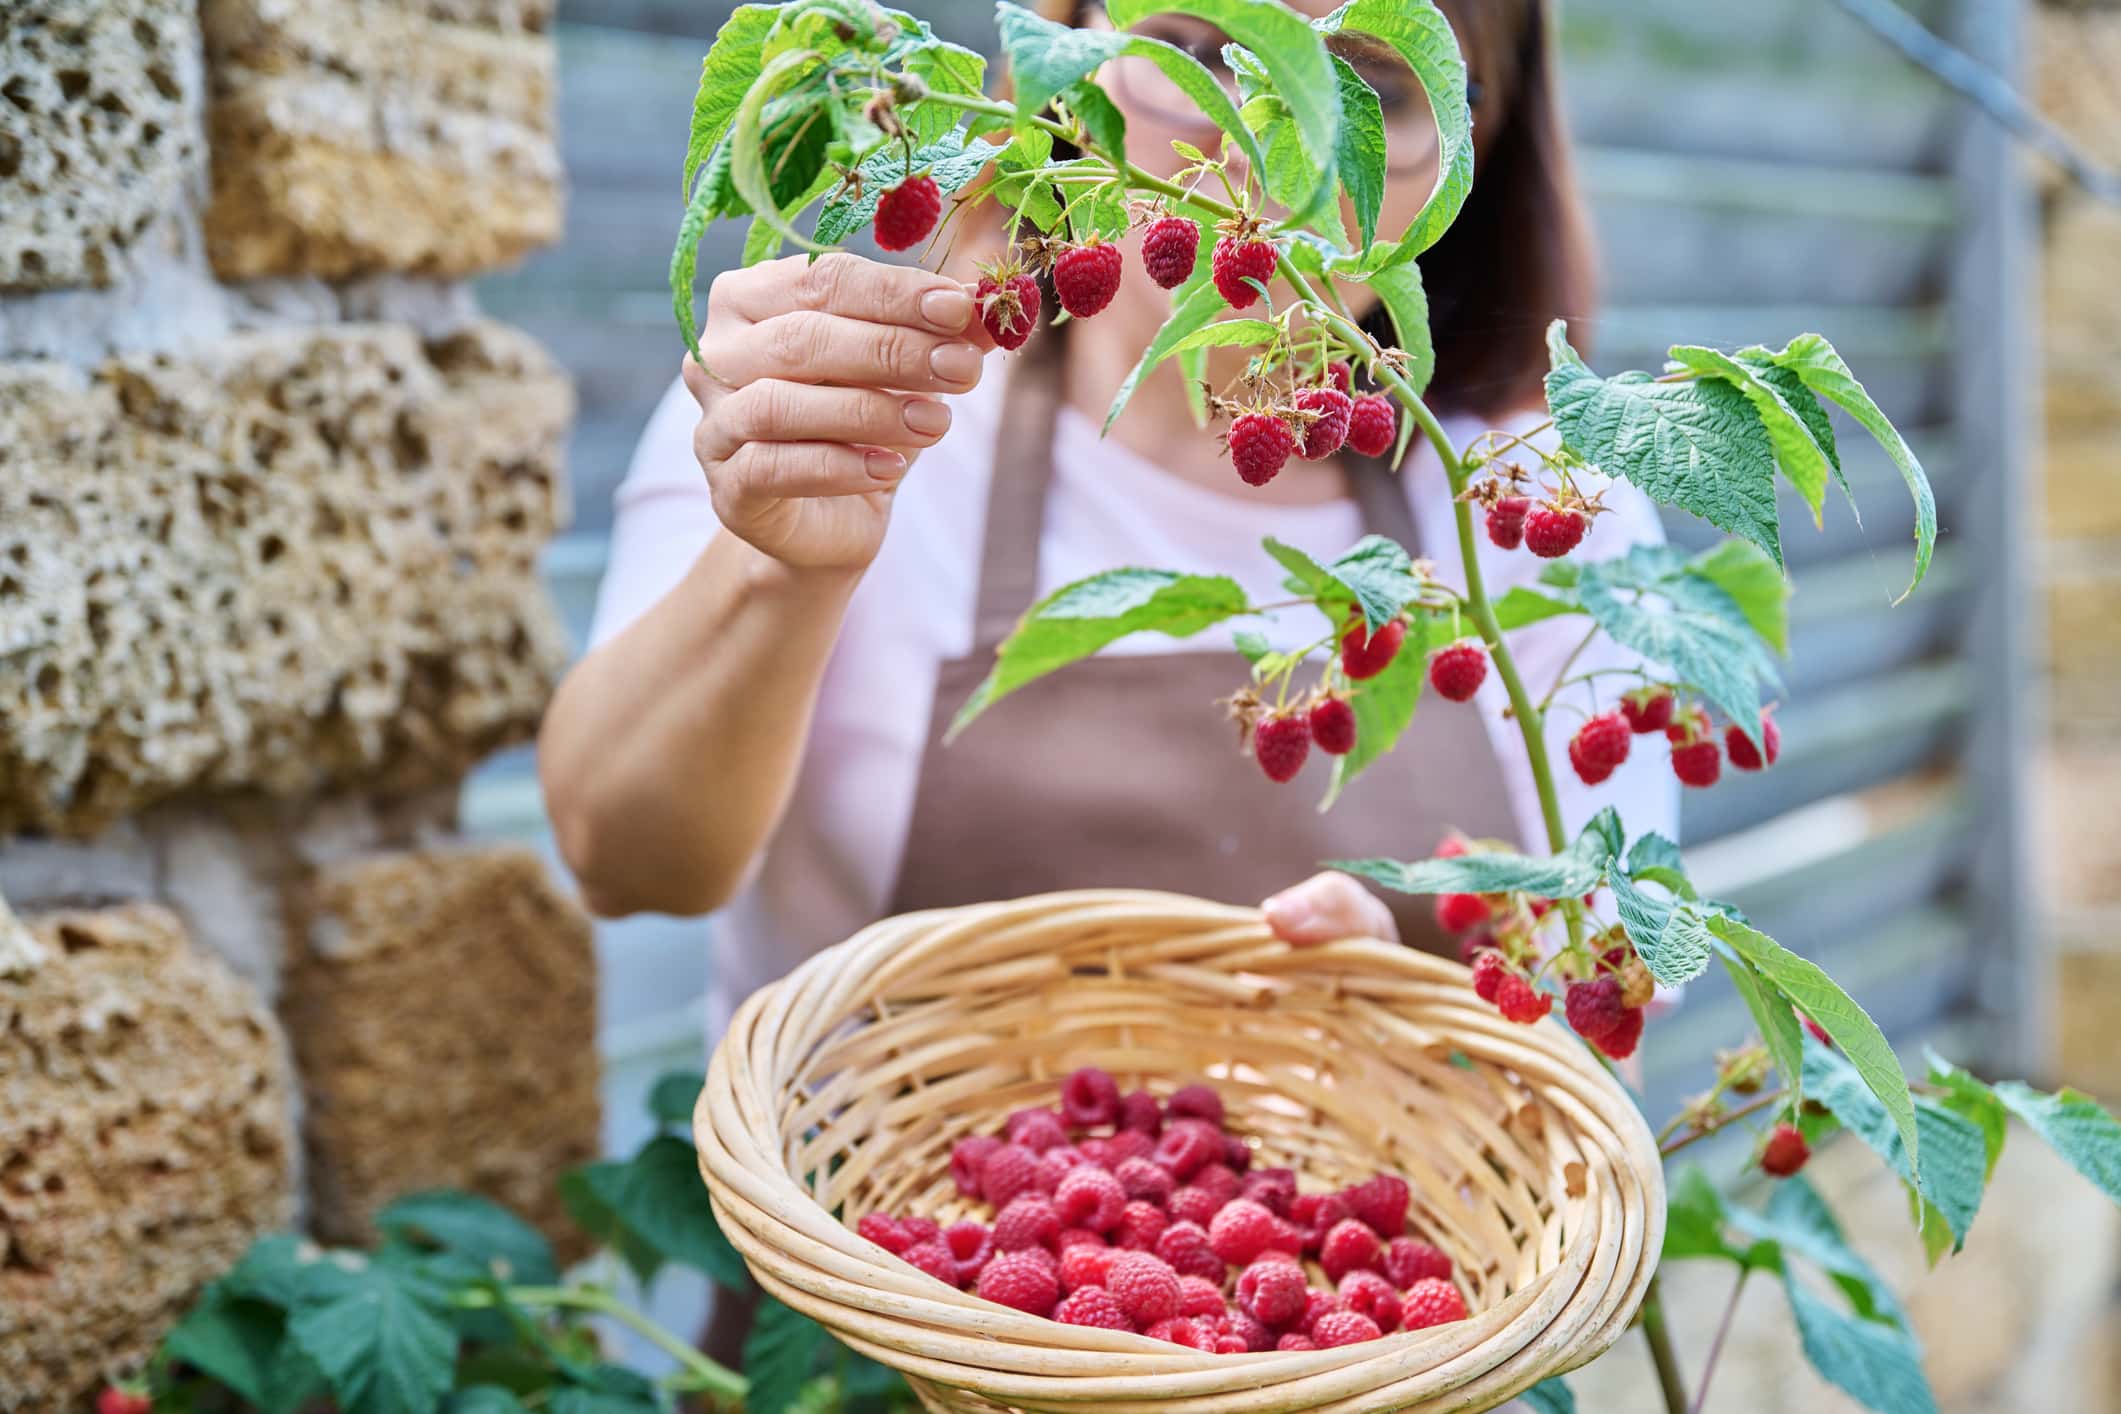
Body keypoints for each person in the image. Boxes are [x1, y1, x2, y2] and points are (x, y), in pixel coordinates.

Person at [541, 0, 1678, 1034]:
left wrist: (1438, 1033)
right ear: (1063, 66)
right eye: (1189, 51)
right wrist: (775, 570)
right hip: (875, 1238)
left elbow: (1601, 1043)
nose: (1264, 155)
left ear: (1482, 147)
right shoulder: (839, 407)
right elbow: (624, 864)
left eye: (1376, 89)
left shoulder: (1541, 502)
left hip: (1378, 1247)